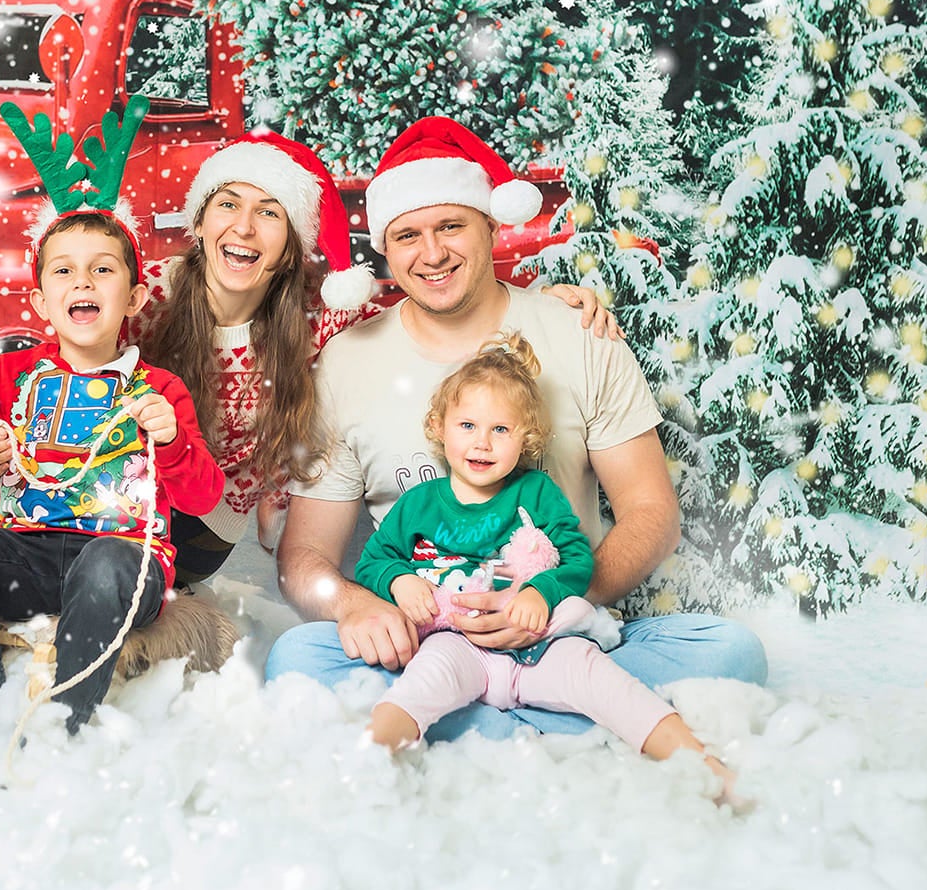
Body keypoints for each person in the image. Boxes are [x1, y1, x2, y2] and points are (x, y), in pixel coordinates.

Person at [267, 114, 768, 739]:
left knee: (731, 652)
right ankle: (564, 717)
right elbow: (303, 557)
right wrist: (356, 604)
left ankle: (476, 718)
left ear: (490, 225)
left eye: (451, 225)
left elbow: (652, 513)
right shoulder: (348, 360)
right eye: (408, 236)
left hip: (559, 635)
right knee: (295, 660)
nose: (432, 253)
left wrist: (550, 603)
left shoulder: (578, 334)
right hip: (428, 645)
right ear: (385, 251)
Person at [0, 131, 624, 586]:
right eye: (228, 205)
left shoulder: (318, 320)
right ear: (200, 224)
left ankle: (80, 587)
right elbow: (49, 344)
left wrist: (542, 298)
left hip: (194, 520)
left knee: (102, 554)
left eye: (268, 213)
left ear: (289, 244)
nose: (243, 226)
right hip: (97, 480)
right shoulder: (139, 297)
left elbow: (436, 291)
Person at [358, 333, 739, 800]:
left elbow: (577, 558)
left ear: (527, 438)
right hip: (458, 644)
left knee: (602, 678)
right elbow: (375, 559)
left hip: (540, 648)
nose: (482, 443)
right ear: (439, 427)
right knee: (419, 683)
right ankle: (369, 763)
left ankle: (704, 768)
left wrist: (540, 593)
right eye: (468, 426)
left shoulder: (535, 493)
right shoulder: (419, 504)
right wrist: (398, 581)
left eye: (501, 430)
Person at [0, 209, 223, 735]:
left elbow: (205, 497)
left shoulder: (159, 389)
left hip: (124, 563)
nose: (83, 282)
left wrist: (173, 440)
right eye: (64, 272)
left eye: (102, 270)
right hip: (25, 555)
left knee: (106, 564)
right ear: (40, 302)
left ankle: (63, 718)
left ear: (135, 298)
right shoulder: (12, 375)